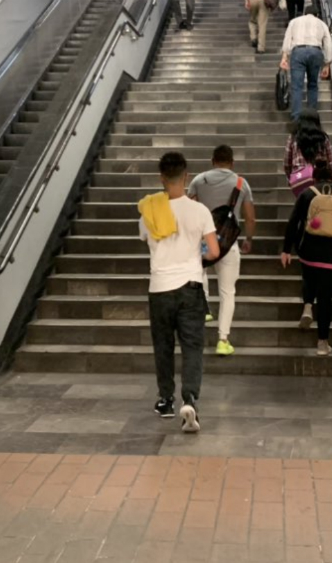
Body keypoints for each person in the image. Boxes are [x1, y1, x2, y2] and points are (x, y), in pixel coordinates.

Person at [138, 152, 219, 432]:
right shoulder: (200, 211)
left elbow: (146, 240)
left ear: (161, 177)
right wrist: (198, 253)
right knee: (192, 346)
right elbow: (215, 250)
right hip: (190, 287)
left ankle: (165, 400)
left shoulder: (148, 211)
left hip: (159, 287)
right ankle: (191, 400)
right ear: (185, 177)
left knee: (163, 346)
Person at [281, 166, 332, 356]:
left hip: (308, 251)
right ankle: (322, 343)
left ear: (314, 178)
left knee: (309, 279)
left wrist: (286, 250)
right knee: (326, 298)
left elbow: (293, 222)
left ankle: (308, 306)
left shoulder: (307, 194)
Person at [188, 145, 257, 356]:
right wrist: (248, 238)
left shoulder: (198, 181)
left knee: (199, 274)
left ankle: (205, 308)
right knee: (228, 292)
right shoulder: (240, 183)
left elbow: (188, 209)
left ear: (212, 160)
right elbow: (250, 217)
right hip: (229, 243)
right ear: (232, 162)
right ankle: (223, 340)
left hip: (203, 241)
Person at [279, 4, 332, 122]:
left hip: (298, 52)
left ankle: (296, 118)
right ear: (317, 15)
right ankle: (311, 118)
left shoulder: (294, 21)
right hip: (315, 51)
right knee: (313, 85)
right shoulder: (322, 24)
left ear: (304, 13)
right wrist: (327, 63)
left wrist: (284, 57)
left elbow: (287, 38)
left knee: (296, 86)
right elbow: (328, 44)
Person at [284, 108, 332, 186]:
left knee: (303, 197)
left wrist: (291, 177)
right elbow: (330, 162)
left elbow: (287, 163)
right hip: (319, 179)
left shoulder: (293, 137)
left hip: (300, 178)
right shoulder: (323, 138)